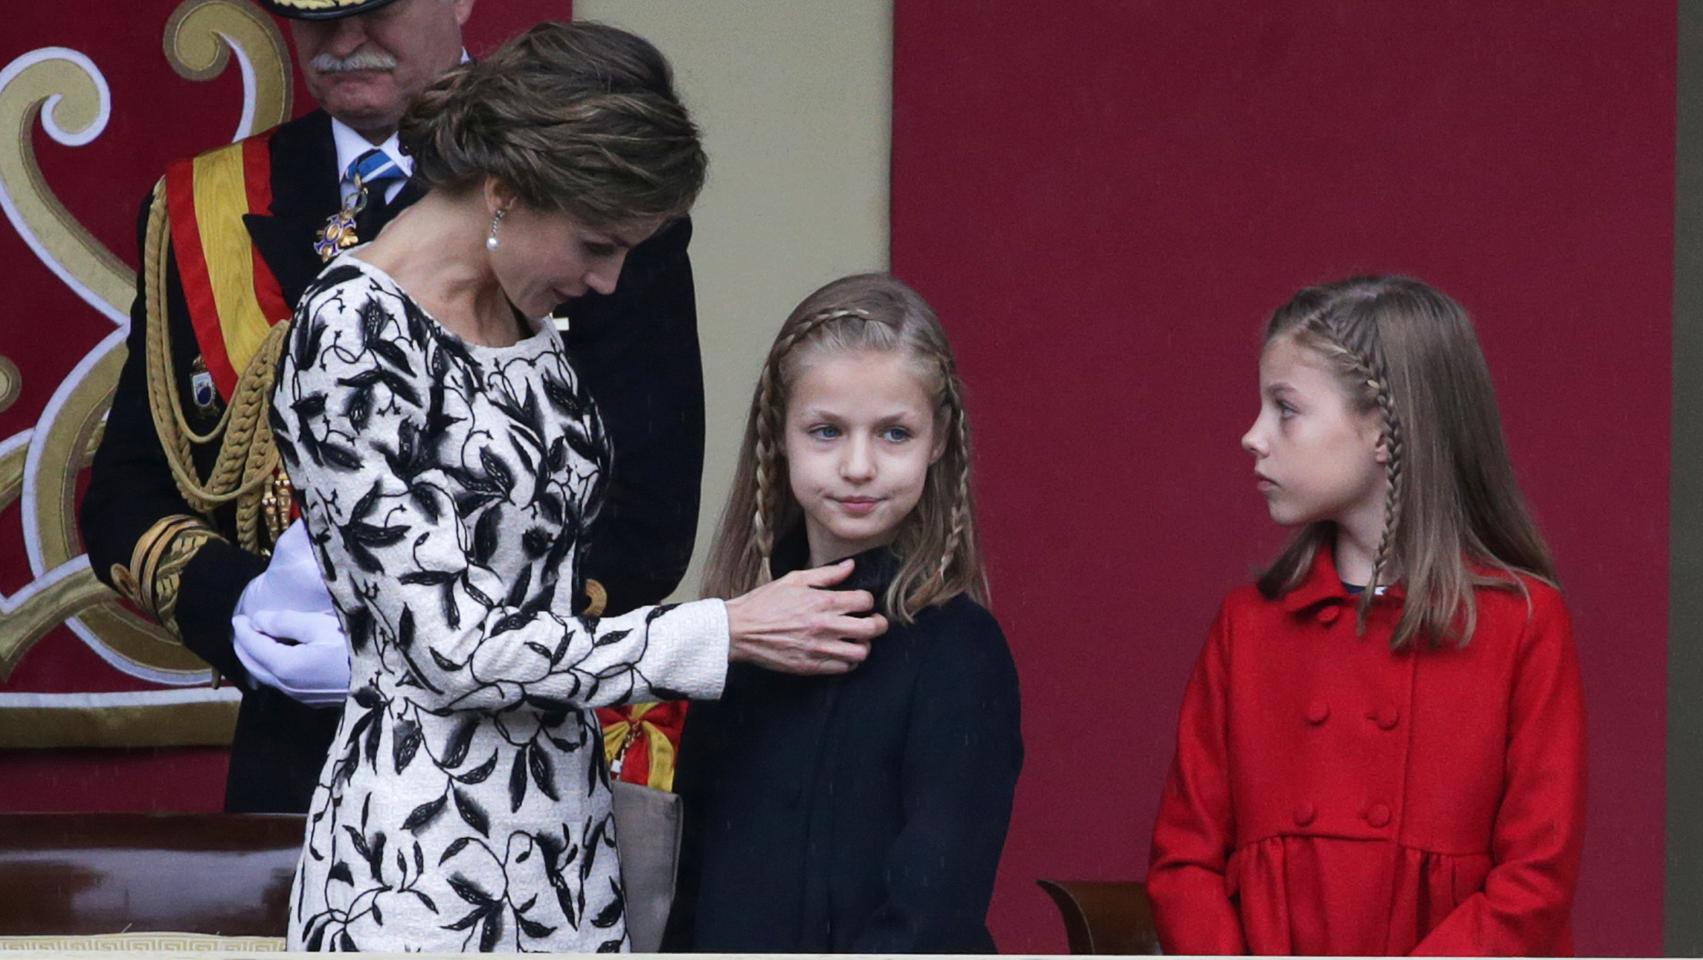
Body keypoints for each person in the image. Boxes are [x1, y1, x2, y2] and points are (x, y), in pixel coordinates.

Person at [273, 22, 883, 952]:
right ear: (507, 190)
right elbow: (454, 651)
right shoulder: (353, 332)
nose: (608, 281)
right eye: (597, 245)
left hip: (567, 842)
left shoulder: (522, 313)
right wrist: (721, 631)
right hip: (418, 863)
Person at [79, 0, 706, 813]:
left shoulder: (590, 177)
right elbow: (126, 491)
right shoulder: (204, 202)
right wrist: (241, 606)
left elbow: (646, 516)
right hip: (297, 759)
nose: (346, 41)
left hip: (507, 752)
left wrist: (423, 640)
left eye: (378, 9)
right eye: (314, 17)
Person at [1146, 276, 1587, 955]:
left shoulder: (1522, 624)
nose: (1253, 436)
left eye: (1285, 408)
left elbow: (1536, 880)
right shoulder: (1248, 627)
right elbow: (1184, 864)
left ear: (1383, 430)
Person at [662, 274, 1024, 953]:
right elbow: (692, 890)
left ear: (938, 438)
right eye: (826, 431)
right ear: (779, 433)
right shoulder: (739, 636)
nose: (859, 466)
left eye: (894, 433)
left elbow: (933, 914)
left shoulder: (960, 653)